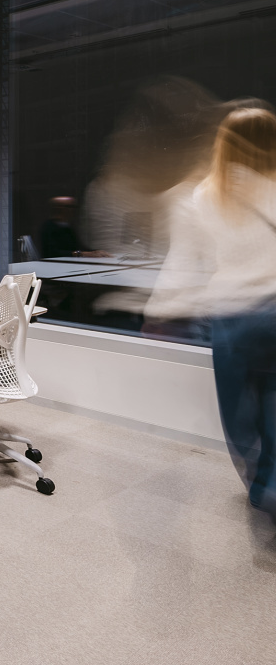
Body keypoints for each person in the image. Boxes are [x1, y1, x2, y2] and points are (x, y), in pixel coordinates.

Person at [147, 105, 276, 526]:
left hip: (233, 319)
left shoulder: (204, 195)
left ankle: (263, 488)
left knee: (239, 414)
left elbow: (184, 263)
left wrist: (160, 310)